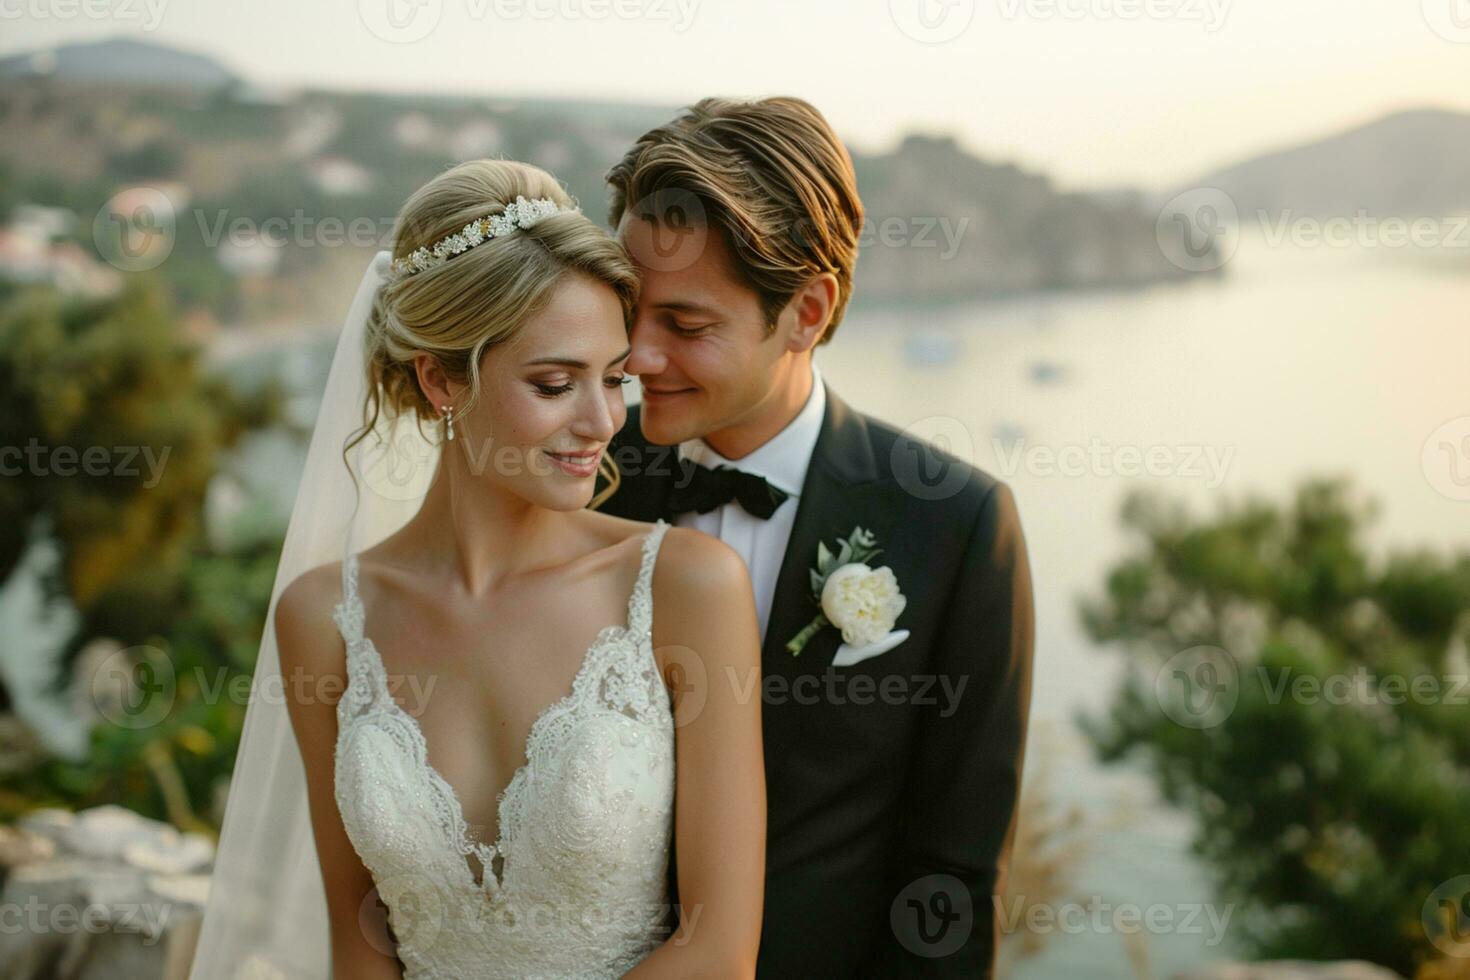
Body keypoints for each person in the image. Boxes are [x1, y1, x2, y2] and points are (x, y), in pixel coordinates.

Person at [188, 159, 765, 979]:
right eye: (555, 383)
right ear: (440, 378)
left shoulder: (684, 587)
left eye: (613, 380)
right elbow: (360, 946)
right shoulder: (321, 620)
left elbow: (718, 951)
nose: (602, 422)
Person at [595, 96, 1036, 978]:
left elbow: (948, 881)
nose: (637, 356)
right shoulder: (581, 480)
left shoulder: (956, 526)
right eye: (629, 309)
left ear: (806, 310)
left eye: (684, 325)